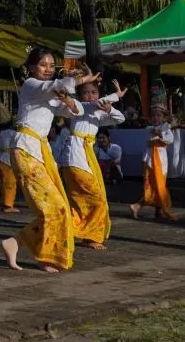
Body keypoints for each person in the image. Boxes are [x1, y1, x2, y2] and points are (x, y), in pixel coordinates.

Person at [0, 49, 85, 273]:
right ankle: (44, 256)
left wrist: (68, 97)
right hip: (25, 149)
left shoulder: (51, 93)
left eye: (51, 66)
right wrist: (76, 80)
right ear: (31, 68)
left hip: (39, 151)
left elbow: (75, 112)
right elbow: (53, 86)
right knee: (55, 207)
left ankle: (16, 242)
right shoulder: (31, 85)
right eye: (43, 65)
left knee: (59, 208)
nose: (48, 69)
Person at [57, 72, 125, 251]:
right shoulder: (79, 107)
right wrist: (116, 96)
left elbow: (120, 118)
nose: (91, 96)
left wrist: (110, 109)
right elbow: (95, 104)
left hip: (84, 157)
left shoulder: (97, 114)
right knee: (96, 198)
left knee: (80, 199)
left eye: (94, 92)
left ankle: (83, 234)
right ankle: (75, 231)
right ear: (79, 96)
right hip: (75, 157)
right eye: (86, 92)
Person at [130, 105, 177, 221]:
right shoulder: (149, 128)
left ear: (163, 118)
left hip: (161, 160)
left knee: (160, 184)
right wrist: (168, 125)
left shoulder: (166, 130)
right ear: (150, 118)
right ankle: (137, 205)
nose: (156, 118)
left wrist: (167, 126)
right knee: (152, 185)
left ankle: (158, 210)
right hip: (151, 160)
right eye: (153, 115)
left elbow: (170, 140)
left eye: (158, 115)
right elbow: (157, 132)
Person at [0, 101, 21, 213]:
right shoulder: (12, 133)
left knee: (4, 183)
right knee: (10, 183)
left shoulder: (0, 133)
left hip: (2, 158)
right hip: (9, 160)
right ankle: (8, 205)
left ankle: (4, 203)